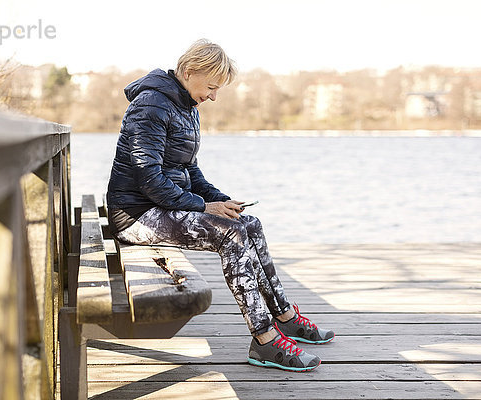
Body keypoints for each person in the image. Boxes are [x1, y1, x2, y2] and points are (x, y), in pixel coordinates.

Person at [106, 39, 334, 372]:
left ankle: (284, 316)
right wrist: (203, 207)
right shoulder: (151, 104)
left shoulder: (186, 108)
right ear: (189, 72)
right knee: (231, 235)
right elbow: (148, 178)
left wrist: (218, 200)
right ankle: (265, 340)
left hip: (163, 207)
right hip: (136, 214)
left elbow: (190, 171)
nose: (214, 95)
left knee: (249, 224)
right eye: (211, 86)